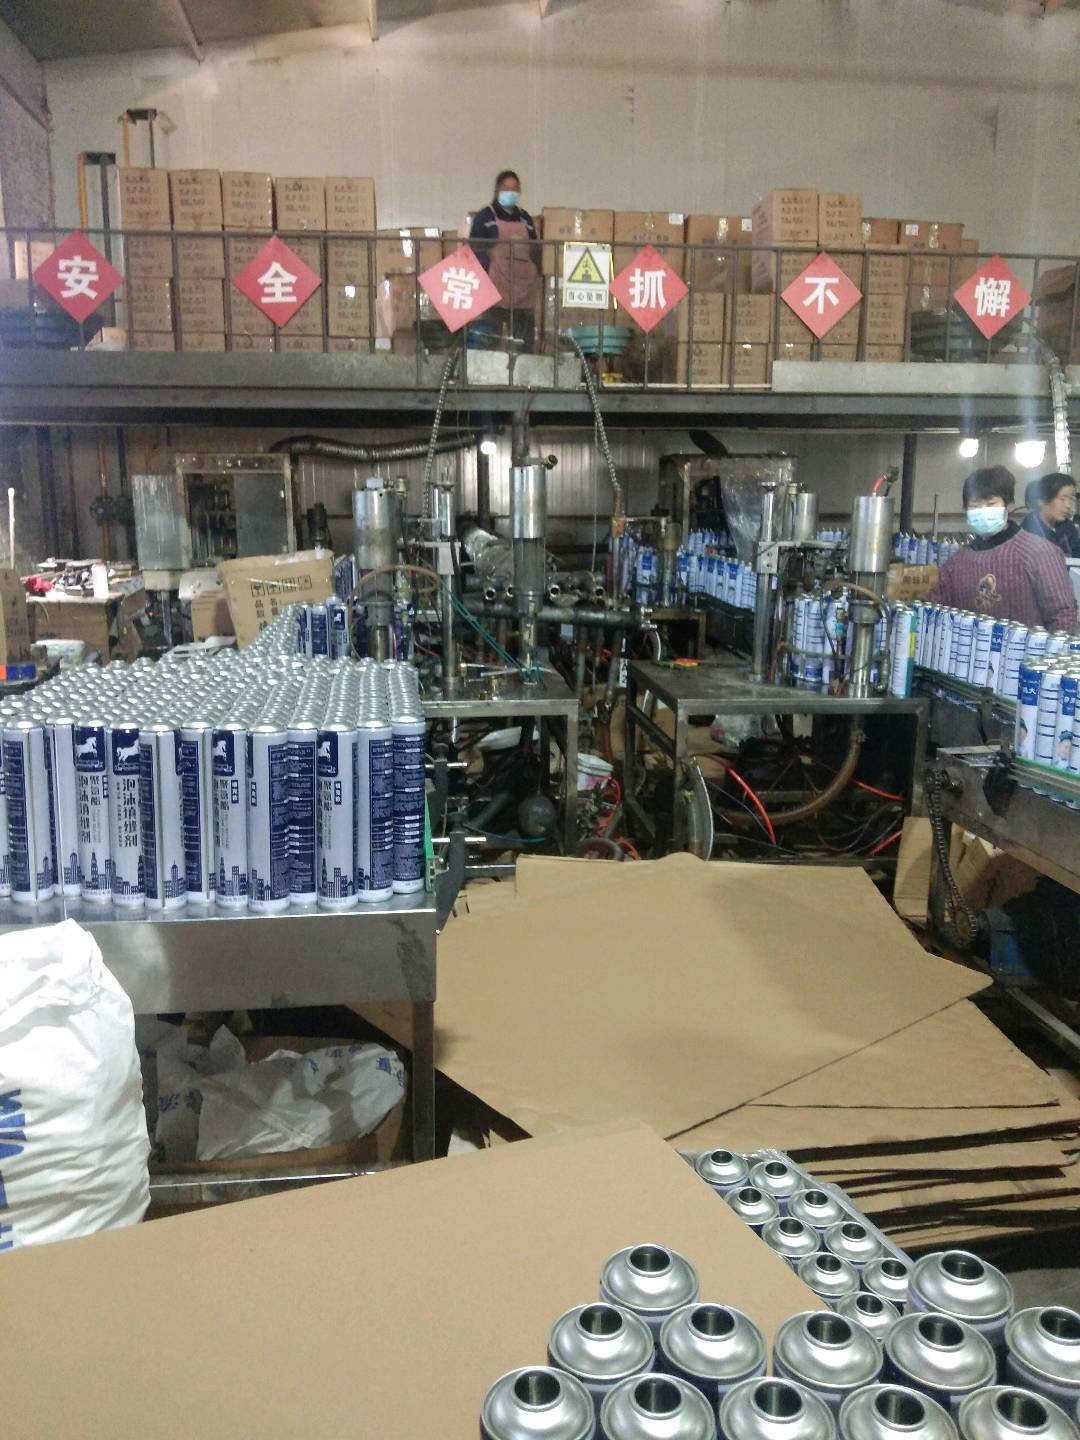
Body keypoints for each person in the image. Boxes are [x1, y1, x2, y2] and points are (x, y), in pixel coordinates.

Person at [927, 465, 1077, 631]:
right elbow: (932, 609)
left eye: (991, 504)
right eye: (975, 506)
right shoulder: (956, 563)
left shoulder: (1041, 553)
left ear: (1008, 505)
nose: (983, 511)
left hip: (1026, 648)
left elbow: (1063, 615)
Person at [468, 170, 542, 352]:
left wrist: (534, 272)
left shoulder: (525, 218)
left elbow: (536, 250)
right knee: (491, 342)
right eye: (507, 188)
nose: (511, 192)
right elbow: (475, 249)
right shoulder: (485, 217)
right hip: (495, 290)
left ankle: (524, 370)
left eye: (515, 189)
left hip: (523, 292)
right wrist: (487, 274)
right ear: (497, 190)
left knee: (523, 344)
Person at [1022, 471, 1080, 559]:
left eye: (1071, 499)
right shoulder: (1028, 528)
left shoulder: (1068, 526)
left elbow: (1077, 556)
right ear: (1042, 501)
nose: (1068, 505)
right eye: (1062, 499)